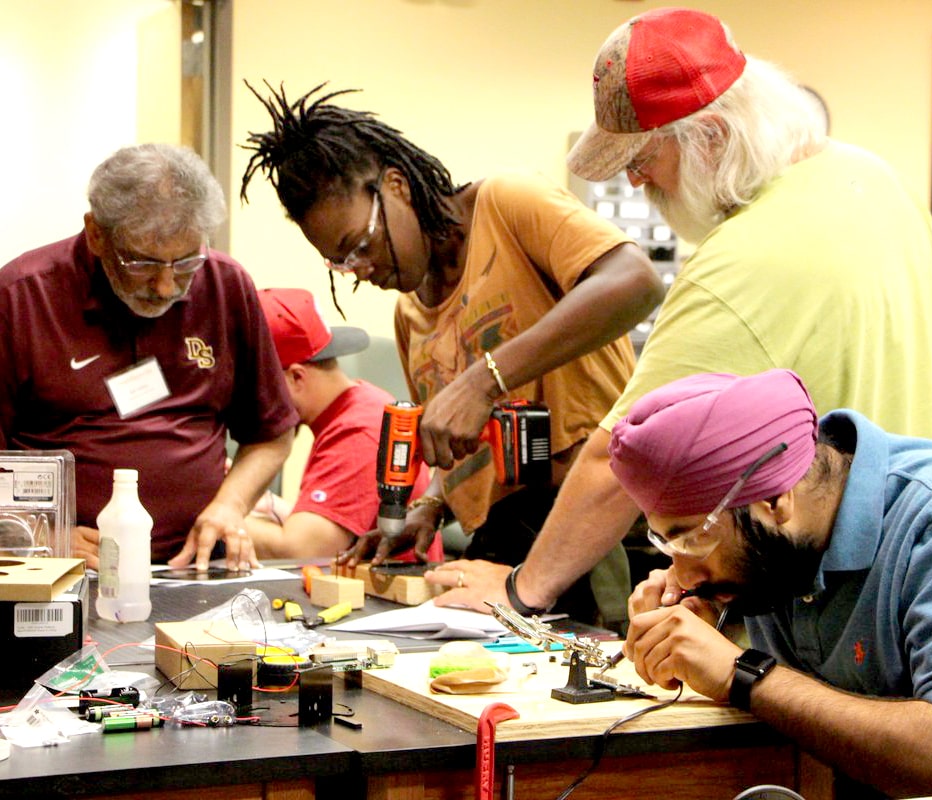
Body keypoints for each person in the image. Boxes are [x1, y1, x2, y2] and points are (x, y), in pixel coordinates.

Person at [427, 7, 932, 622]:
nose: (634, 182)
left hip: (831, 608)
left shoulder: (736, 264)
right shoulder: (871, 177)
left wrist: (522, 590)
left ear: (710, 137)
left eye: (642, 159)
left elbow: (618, 461)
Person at [241, 83, 664, 623]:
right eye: (341, 262)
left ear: (395, 187)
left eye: (361, 244)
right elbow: (462, 438)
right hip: (503, 541)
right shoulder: (409, 316)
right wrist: (431, 506)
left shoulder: (508, 204)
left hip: (597, 520)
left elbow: (637, 281)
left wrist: (485, 379)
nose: (361, 269)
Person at [611, 368, 932, 796]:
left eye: (691, 538)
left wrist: (741, 673)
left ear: (773, 500)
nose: (683, 573)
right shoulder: (789, 543)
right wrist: (716, 615)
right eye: (668, 544)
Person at [0, 143, 297, 572]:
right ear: (96, 233)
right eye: (142, 263)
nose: (165, 286)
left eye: (185, 263)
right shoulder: (22, 297)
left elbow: (271, 434)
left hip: (194, 566)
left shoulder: (224, 285)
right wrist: (37, 532)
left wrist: (230, 506)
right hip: (63, 568)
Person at [245, 287, 443, 562]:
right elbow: (327, 527)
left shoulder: (358, 433)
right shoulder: (356, 406)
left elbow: (299, 549)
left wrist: (207, 510)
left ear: (296, 378)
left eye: (255, 385)